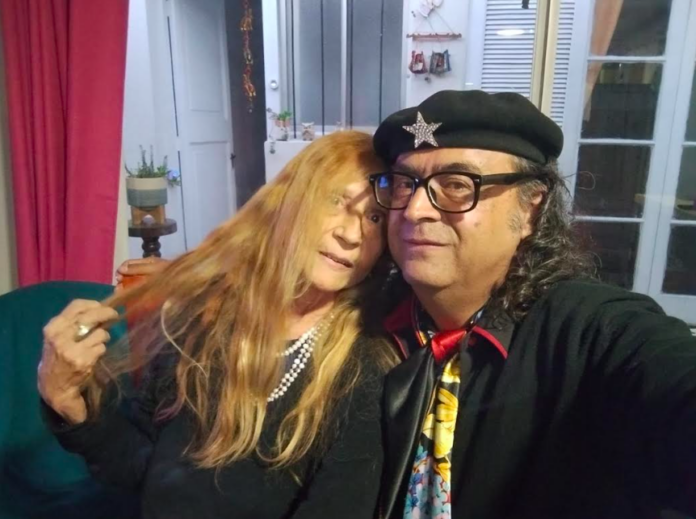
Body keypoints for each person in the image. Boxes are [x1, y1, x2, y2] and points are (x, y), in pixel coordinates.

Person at [38, 131, 399, 519]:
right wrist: (69, 402)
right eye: (335, 201)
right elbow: (143, 470)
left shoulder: (365, 370)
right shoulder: (202, 317)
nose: (351, 234)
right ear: (291, 202)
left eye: (375, 218)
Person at [369, 90, 696, 519]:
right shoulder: (367, 326)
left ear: (530, 210)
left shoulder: (588, 332)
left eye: (456, 185)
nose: (414, 211)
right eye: (404, 184)